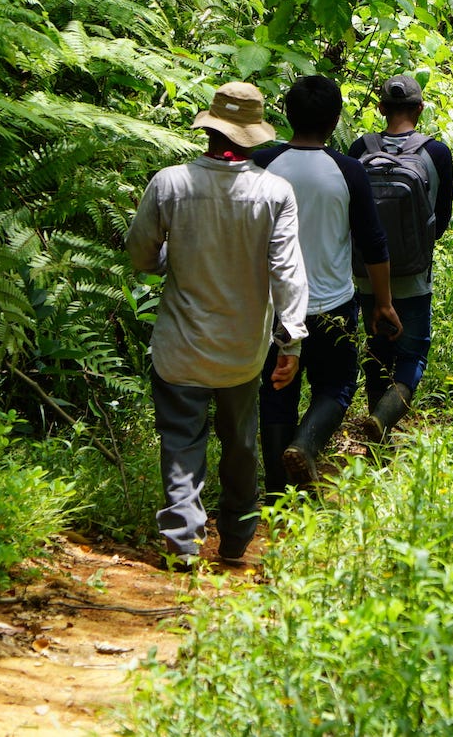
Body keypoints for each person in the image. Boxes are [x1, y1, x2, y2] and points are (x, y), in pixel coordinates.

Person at [126, 81, 308, 570]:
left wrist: (170, 257)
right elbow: (287, 271)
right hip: (242, 352)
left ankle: (183, 542)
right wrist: (290, 342)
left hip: (180, 348)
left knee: (181, 443)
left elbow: (141, 255)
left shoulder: (170, 183)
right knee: (241, 444)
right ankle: (236, 539)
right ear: (253, 135)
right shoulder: (275, 193)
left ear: (209, 129)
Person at [251, 75, 400, 491]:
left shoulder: (261, 164)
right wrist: (384, 302)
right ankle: (305, 444)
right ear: (335, 120)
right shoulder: (348, 170)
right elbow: (373, 242)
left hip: (271, 306)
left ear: (287, 115)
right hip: (331, 305)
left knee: (275, 391)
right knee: (336, 385)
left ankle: (278, 491)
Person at [347, 73, 453, 441]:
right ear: (420, 109)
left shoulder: (358, 148)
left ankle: (375, 418)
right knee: (413, 354)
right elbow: (441, 219)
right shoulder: (436, 153)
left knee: (377, 347)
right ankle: (382, 420)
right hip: (414, 275)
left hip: (366, 273)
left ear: (381, 108)